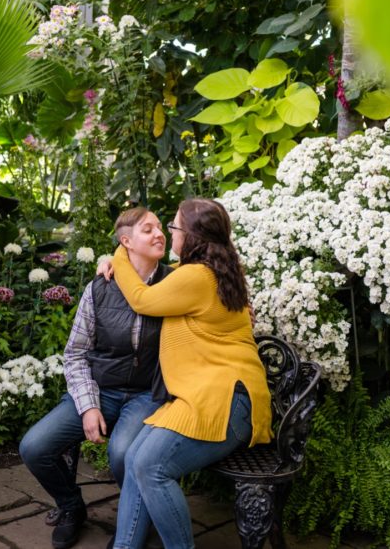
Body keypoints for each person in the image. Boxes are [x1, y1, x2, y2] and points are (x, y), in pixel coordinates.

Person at [106, 198, 271, 549]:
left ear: (193, 236)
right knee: (136, 458)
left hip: (225, 399)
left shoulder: (196, 276)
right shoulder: (212, 270)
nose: (169, 231)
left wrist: (117, 256)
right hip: (207, 394)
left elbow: (141, 300)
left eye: (175, 227)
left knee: (151, 467)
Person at [19, 208, 173, 549]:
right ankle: (72, 506)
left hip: (147, 394)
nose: (159, 233)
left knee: (121, 454)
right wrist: (89, 407)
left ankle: (135, 521)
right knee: (34, 447)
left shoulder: (175, 282)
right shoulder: (100, 286)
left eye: (161, 227)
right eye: (148, 229)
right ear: (126, 242)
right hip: (101, 389)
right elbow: (75, 353)